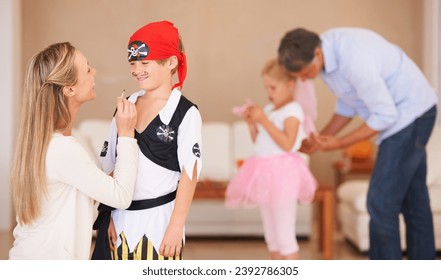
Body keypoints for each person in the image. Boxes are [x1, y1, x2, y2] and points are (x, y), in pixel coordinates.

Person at [278, 27, 438, 260]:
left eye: (305, 72)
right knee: (415, 201)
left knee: (380, 203)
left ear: (317, 54)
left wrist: (339, 143)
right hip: (404, 115)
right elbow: (348, 105)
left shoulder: (354, 59)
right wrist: (319, 140)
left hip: (413, 113)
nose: (303, 79)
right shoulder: (326, 61)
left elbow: (385, 116)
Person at [8, 42, 139, 260]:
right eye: (88, 69)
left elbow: (87, 189)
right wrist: (126, 134)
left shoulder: (48, 143)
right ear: (69, 89)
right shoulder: (63, 149)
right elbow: (121, 196)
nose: (94, 72)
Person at [92, 21, 202, 260]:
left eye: (145, 62)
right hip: (120, 222)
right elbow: (110, 166)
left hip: (159, 224)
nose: (137, 69)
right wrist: (107, 215)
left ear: (171, 62)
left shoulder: (185, 113)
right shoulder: (125, 106)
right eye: (133, 63)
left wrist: (175, 226)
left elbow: (189, 175)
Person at [225, 58, 317, 260]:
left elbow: (287, 144)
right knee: (272, 236)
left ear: (290, 85)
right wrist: (252, 123)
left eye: (273, 88)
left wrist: (263, 120)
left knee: (285, 236)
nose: (269, 93)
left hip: (283, 175)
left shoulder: (293, 111)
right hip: (264, 173)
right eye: (267, 88)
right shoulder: (268, 109)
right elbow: (260, 144)